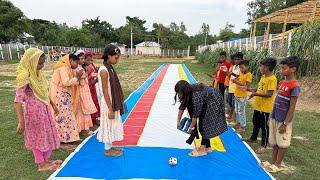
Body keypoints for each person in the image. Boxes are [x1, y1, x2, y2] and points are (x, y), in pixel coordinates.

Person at [15, 48, 61, 171]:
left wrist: (53, 105)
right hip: (34, 112)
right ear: (31, 61)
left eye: (43, 62)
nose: (42, 66)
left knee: (47, 133)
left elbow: (44, 92)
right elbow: (18, 99)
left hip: (44, 109)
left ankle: (46, 160)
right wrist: (21, 121)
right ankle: (41, 164)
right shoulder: (25, 75)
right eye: (39, 63)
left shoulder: (38, 73)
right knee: (37, 137)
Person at [264, 56, 300, 172]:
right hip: (275, 117)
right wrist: (271, 116)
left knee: (282, 142)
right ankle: (273, 161)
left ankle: (279, 164)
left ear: (293, 69)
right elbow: (276, 101)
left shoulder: (295, 86)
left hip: (284, 120)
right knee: (274, 140)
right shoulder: (282, 82)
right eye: (281, 68)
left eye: (284, 68)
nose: (281, 70)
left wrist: (285, 123)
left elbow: (292, 106)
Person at [175, 80, 228, 157]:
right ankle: (208, 147)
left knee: (205, 124)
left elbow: (195, 115)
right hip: (208, 100)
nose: (178, 95)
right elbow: (182, 106)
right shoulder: (188, 93)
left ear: (184, 91)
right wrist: (178, 121)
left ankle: (202, 149)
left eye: (179, 93)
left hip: (214, 100)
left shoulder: (196, 96)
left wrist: (191, 127)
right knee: (203, 122)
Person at [96, 44, 125, 157]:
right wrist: (110, 109)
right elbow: (105, 91)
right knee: (108, 124)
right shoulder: (104, 71)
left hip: (112, 102)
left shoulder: (109, 68)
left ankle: (110, 146)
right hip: (108, 103)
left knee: (112, 124)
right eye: (116, 58)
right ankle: (107, 150)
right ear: (108, 56)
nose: (117, 60)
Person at [50, 54, 83, 150]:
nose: (77, 65)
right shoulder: (63, 67)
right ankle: (62, 141)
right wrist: (77, 77)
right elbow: (66, 82)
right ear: (71, 60)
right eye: (76, 62)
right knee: (61, 118)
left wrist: (78, 78)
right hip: (58, 95)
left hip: (63, 95)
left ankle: (72, 137)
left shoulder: (67, 67)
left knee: (68, 116)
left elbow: (72, 82)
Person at [245, 58, 277, 154]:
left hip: (265, 108)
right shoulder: (263, 77)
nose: (260, 68)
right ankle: (253, 138)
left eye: (261, 66)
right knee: (256, 123)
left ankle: (264, 145)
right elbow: (260, 89)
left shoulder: (272, 79)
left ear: (267, 67)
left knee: (264, 127)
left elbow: (269, 94)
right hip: (258, 106)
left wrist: (255, 94)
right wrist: (252, 90)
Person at [73, 50, 97, 135]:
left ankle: (85, 127)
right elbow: (80, 81)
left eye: (83, 58)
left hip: (85, 91)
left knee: (85, 109)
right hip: (81, 91)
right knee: (82, 110)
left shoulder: (80, 68)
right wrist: (87, 73)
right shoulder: (77, 69)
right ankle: (83, 128)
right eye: (81, 58)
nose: (83, 60)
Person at [232, 60, 252, 132]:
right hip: (237, 94)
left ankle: (243, 126)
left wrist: (236, 82)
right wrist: (235, 79)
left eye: (242, 68)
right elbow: (239, 80)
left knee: (241, 111)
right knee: (237, 110)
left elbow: (247, 86)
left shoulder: (249, 75)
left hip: (242, 96)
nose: (241, 69)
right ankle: (238, 123)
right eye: (240, 68)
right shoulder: (241, 73)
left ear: (247, 67)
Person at [83, 50, 100, 126]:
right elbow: (85, 80)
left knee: (95, 103)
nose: (90, 61)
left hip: (93, 88)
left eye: (91, 59)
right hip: (88, 88)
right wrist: (92, 76)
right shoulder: (84, 68)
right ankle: (91, 120)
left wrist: (97, 70)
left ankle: (95, 118)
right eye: (88, 60)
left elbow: (94, 73)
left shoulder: (92, 65)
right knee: (90, 104)